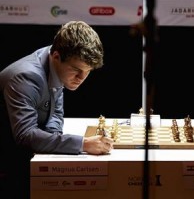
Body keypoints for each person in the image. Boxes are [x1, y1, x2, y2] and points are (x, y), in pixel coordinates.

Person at [0, 21, 114, 199]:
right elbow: (25, 135)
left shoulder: (57, 66)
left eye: (88, 71)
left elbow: (56, 114)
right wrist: (83, 144)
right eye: (76, 70)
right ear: (56, 56)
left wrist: (52, 139)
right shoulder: (26, 78)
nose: (81, 78)